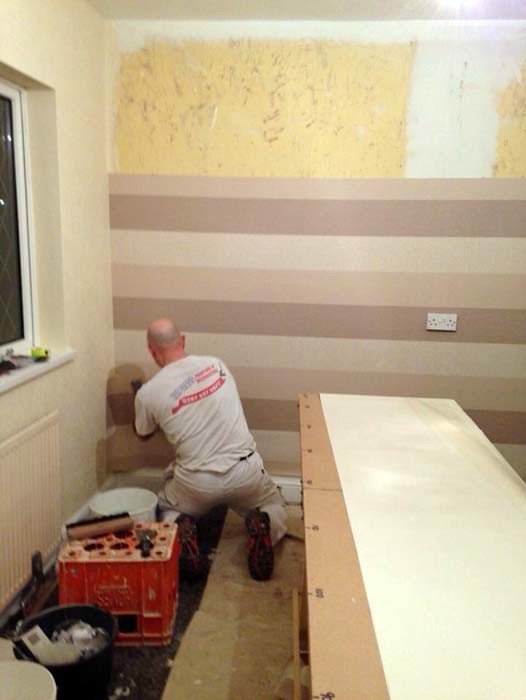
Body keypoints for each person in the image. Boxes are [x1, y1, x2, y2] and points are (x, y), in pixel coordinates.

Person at [132, 318, 287, 581]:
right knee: (275, 504)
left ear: (151, 350)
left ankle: (180, 528)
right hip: (244, 471)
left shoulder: (148, 393)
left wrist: (142, 401)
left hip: (197, 484)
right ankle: (265, 525)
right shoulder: (217, 365)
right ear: (183, 340)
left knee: (164, 508)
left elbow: (143, 434)